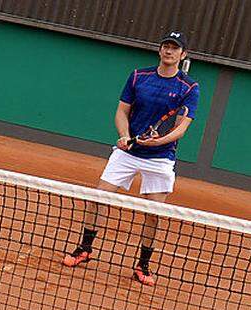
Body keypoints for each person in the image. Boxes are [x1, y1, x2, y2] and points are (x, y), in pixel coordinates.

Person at [62, 30, 199, 286]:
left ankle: (143, 264)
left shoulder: (189, 87)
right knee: (98, 197)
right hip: (128, 152)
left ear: (183, 54)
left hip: (160, 157)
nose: (169, 51)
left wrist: (159, 141)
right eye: (166, 46)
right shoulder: (138, 76)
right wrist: (124, 136)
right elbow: (122, 112)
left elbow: (182, 126)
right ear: (160, 50)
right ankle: (85, 249)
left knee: (153, 213)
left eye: (174, 48)